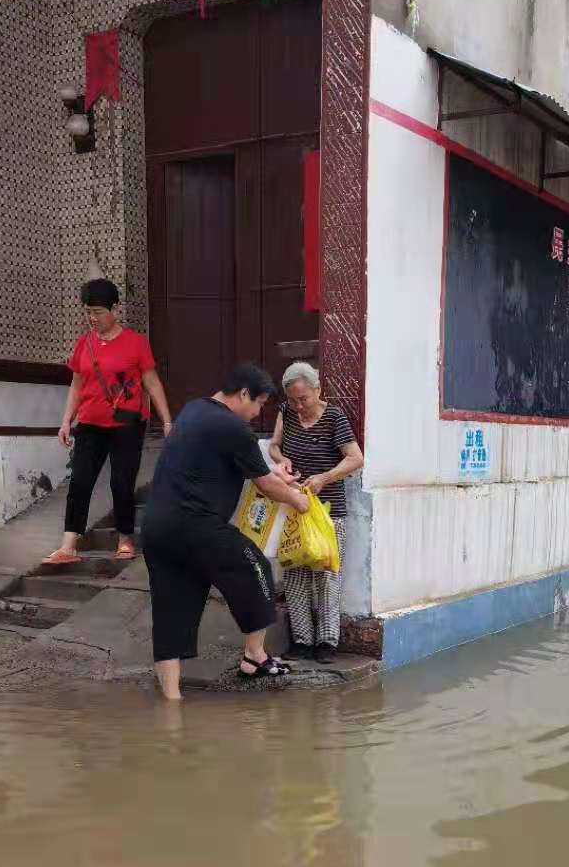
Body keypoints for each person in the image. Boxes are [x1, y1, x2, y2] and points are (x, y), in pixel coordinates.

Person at [142, 363, 310, 702]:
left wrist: (277, 476)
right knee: (255, 567)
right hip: (196, 524)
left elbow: (254, 468)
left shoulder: (193, 410)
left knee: (171, 607)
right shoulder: (233, 427)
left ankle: (172, 701)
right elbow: (264, 482)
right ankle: (255, 657)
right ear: (244, 393)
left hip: (157, 527)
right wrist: (298, 500)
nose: (257, 411)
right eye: (258, 403)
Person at [43, 278, 173, 566]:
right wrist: (66, 421)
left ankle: (125, 538)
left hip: (127, 424)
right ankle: (68, 546)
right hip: (89, 423)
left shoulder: (136, 343)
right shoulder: (83, 343)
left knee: (121, 482)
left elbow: (151, 382)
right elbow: (76, 386)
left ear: (115, 309)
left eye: (98, 312)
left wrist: (166, 420)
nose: (92, 318)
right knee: (80, 481)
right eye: (88, 311)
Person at [269, 361, 364, 663]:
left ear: (317, 390)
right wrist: (281, 459)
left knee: (326, 573)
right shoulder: (287, 413)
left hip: (328, 509)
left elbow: (355, 458)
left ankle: (327, 642)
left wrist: (325, 477)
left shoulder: (334, 417)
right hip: (295, 506)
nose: (298, 405)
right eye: (293, 400)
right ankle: (301, 641)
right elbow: (273, 445)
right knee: (295, 573)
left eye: (303, 399)